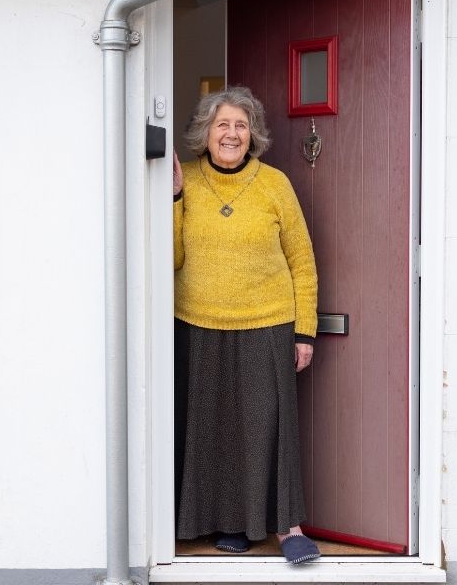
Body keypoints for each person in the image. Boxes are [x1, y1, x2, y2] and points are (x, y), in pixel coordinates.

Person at [171, 86, 321, 565]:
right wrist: (174, 198)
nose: (231, 134)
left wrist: (305, 331)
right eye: (222, 125)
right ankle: (232, 525)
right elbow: (171, 257)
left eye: (240, 125)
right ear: (206, 134)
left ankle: (286, 527)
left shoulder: (274, 184)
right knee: (212, 429)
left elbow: (302, 261)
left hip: (268, 322)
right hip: (198, 322)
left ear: (251, 133)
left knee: (266, 428)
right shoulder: (186, 180)